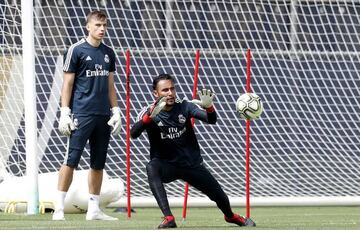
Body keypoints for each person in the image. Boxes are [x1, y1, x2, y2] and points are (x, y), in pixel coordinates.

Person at [130, 73, 256, 228]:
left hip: (191, 165)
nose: (170, 93)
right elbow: (133, 134)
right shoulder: (148, 111)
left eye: (172, 89)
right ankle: (169, 218)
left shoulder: (185, 106)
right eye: (165, 90)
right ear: (155, 93)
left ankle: (231, 217)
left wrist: (209, 107)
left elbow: (211, 120)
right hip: (167, 165)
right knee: (151, 167)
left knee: (220, 197)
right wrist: (148, 117)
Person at [52, 10, 121, 221]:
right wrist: (64, 113)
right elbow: (68, 84)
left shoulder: (109, 52)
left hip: (103, 116)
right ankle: (59, 209)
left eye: (104, 26)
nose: (102, 29)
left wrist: (116, 110)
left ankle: (93, 210)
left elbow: (110, 84)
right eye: (98, 25)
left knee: (98, 163)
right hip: (81, 114)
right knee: (71, 160)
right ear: (88, 27)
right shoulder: (76, 50)